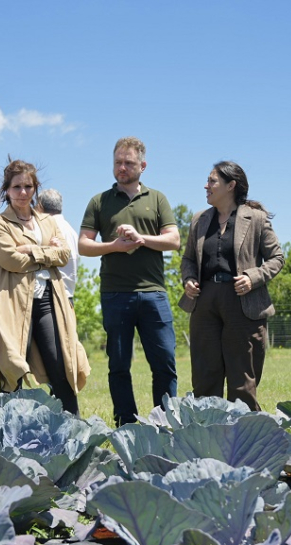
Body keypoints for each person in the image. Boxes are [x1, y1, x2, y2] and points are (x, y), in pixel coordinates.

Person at [79, 137, 180, 425]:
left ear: (143, 165)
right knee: (119, 365)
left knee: (164, 364)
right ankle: (127, 423)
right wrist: (114, 246)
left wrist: (140, 238)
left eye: (129, 163)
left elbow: (173, 240)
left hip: (153, 293)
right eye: (117, 163)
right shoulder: (99, 201)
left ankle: (166, 423)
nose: (122, 168)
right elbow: (83, 245)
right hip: (115, 294)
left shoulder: (157, 198)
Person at [0, 161, 89, 414]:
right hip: (11, 301)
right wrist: (47, 252)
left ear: (35, 189)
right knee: (12, 366)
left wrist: (30, 249)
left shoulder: (47, 221)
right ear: (6, 190)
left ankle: (72, 427)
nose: (23, 192)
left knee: (60, 362)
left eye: (28, 186)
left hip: (47, 301)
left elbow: (64, 254)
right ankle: (7, 432)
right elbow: (9, 259)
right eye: (17, 187)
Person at [179, 162, 284, 410]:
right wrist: (189, 279)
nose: (206, 186)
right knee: (205, 376)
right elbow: (188, 260)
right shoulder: (199, 220)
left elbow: (277, 258)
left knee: (242, 378)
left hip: (242, 301)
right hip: (204, 302)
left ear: (231, 185)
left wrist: (253, 277)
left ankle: (243, 437)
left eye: (212, 181)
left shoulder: (255, 218)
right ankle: (207, 432)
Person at [37, 189, 79, 299]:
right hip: (67, 293)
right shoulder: (71, 231)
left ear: (40, 206)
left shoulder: (47, 228)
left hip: (51, 296)